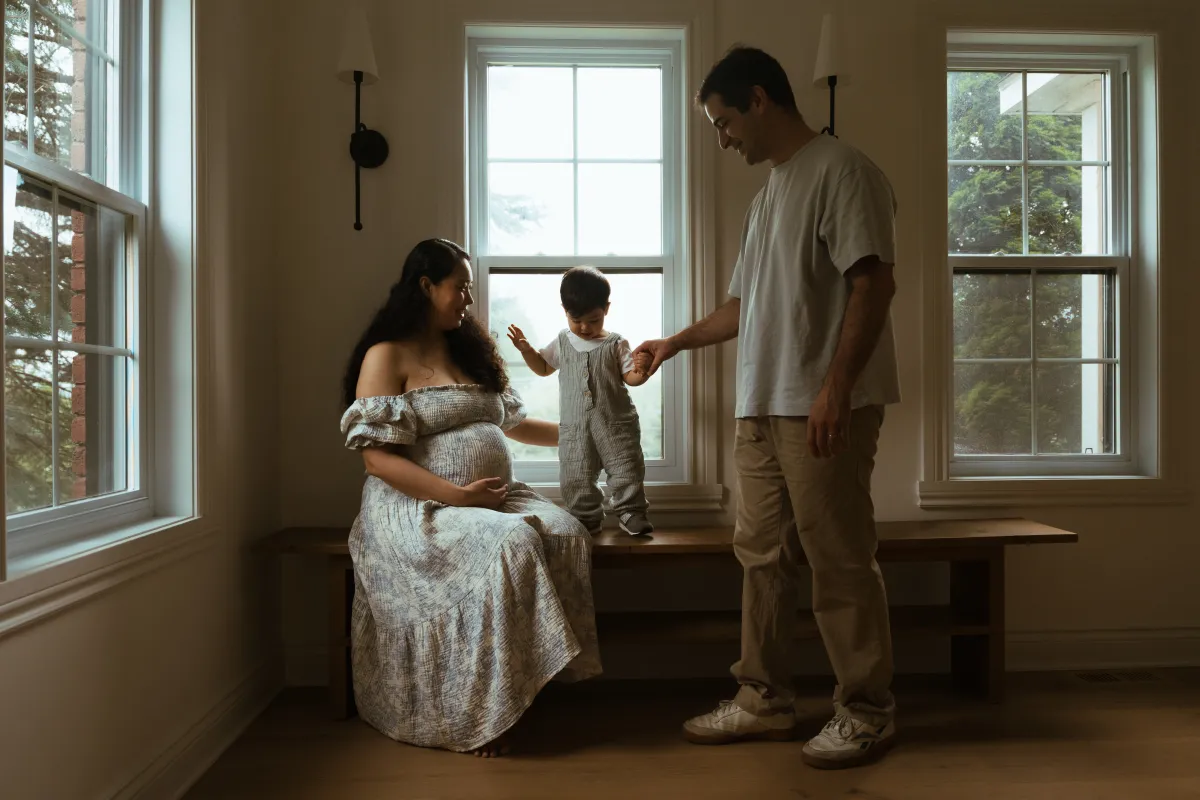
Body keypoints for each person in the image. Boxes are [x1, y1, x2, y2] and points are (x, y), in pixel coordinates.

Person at [634, 46, 902, 769]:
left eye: (724, 122)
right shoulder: (768, 196)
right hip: (761, 407)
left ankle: (867, 711)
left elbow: (873, 284)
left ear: (759, 99)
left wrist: (836, 389)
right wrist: (676, 343)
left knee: (839, 558)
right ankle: (763, 700)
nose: (723, 138)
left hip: (819, 406)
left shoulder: (844, 172)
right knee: (761, 558)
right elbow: (743, 305)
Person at [339, 238, 602, 758]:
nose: (467, 300)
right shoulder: (386, 355)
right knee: (511, 544)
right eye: (459, 289)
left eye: (470, 290)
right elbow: (378, 460)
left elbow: (517, 423)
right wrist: (457, 496)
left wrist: (583, 433)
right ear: (424, 286)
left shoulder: (467, 350)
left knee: (568, 532)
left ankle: (527, 684)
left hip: (487, 499)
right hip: (417, 508)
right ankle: (484, 711)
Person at [507, 266, 655, 536]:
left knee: (626, 467)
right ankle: (585, 518)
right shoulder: (563, 341)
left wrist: (643, 371)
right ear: (565, 311)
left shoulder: (615, 343)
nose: (585, 327)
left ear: (606, 309)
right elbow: (542, 368)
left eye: (593, 320)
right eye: (577, 320)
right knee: (576, 473)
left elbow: (630, 378)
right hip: (575, 427)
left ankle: (631, 512)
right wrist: (527, 350)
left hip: (615, 423)